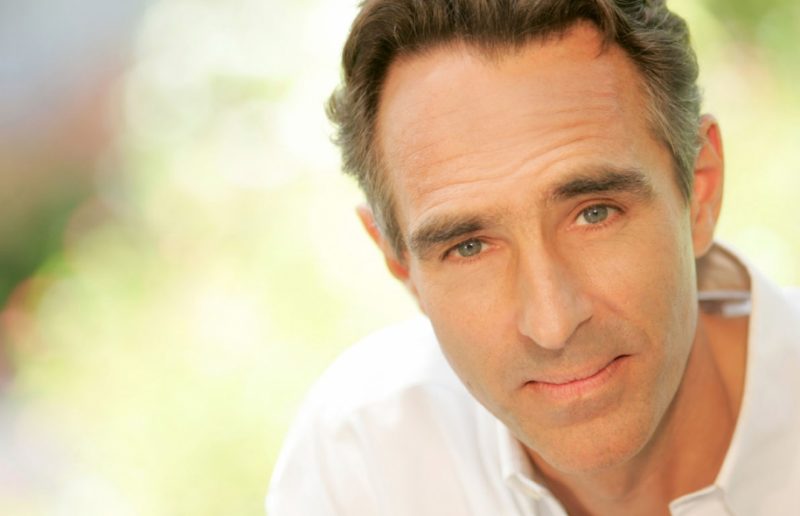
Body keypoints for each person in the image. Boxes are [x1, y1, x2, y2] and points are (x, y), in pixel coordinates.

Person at [267, 1, 800, 514]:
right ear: (400, 263)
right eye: (469, 246)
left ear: (700, 190)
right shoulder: (361, 457)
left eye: (594, 214)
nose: (553, 325)